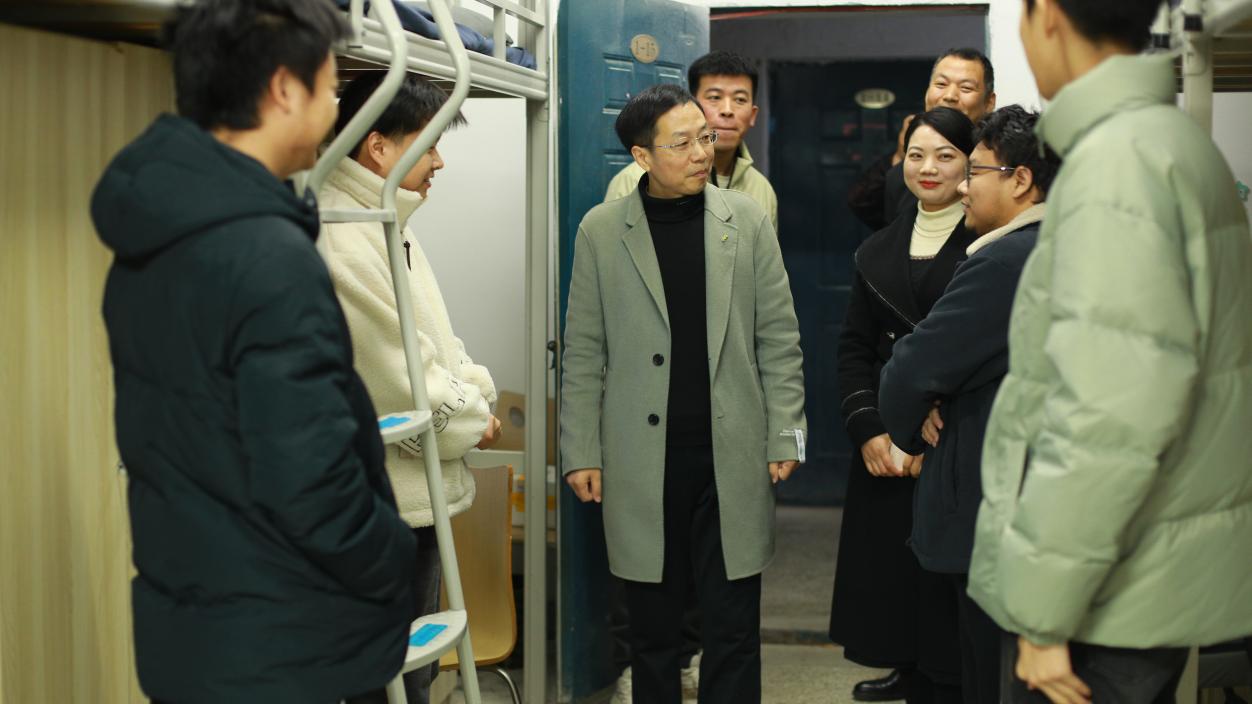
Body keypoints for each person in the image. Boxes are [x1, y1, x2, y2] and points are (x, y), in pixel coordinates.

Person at [89, 1, 418, 702]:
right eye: (329, 87)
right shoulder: (267, 256)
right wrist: (394, 556)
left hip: (198, 622)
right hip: (277, 639)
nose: (334, 107)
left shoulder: (157, 235)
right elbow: (311, 480)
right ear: (283, 89)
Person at [967, 1, 1252, 703]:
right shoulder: (1169, 141)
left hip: (1100, 595)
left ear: (1049, 17)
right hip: (1137, 570)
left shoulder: (1115, 165)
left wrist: (1044, 614)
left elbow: (1107, 416)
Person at [561, 83, 806, 704]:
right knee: (651, 629)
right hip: (642, 460)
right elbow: (584, 352)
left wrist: (788, 435)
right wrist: (580, 450)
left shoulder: (745, 221)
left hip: (733, 453)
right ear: (642, 157)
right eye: (683, 143)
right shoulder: (601, 231)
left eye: (705, 137)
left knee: (733, 626)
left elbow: (780, 338)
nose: (702, 152)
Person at [319, 72, 502, 704]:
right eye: (429, 144)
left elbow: (439, 342)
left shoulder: (388, 220)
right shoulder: (342, 237)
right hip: (385, 505)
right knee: (389, 680)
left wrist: (476, 399)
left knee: (411, 672)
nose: (439, 161)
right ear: (378, 147)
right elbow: (399, 379)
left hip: (410, 494)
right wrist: (475, 420)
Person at [877, 105, 1061, 704]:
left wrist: (920, 411)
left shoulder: (1006, 261)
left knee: (991, 675)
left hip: (992, 506)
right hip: (1035, 506)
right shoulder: (1062, 246)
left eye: (975, 171)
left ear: (1021, 180)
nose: (962, 186)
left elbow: (911, 369)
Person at [828, 107, 979, 703]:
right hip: (886, 447)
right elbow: (853, 348)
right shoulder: (876, 249)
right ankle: (907, 675)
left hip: (951, 440)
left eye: (945, 155)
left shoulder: (987, 243)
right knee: (894, 589)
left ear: (970, 164)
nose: (928, 167)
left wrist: (923, 420)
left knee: (949, 603)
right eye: (917, 155)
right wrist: (870, 430)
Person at [605, 51, 778, 232]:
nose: (727, 110)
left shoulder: (762, 189)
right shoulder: (633, 181)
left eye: (740, 99)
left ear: (753, 114)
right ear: (691, 105)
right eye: (714, 97)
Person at [847, 48, 996, 232]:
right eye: (941, 84)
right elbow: (864, 204)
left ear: (989, 102)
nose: (950, 96)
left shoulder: (999, 164)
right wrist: (901, 155)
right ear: (926, 94)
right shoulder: (904, 171)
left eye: (966, 88)